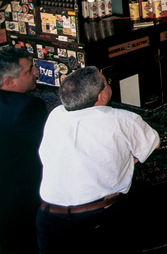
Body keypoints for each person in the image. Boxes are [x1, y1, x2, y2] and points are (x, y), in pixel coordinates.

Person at [36, 66, 160, 254]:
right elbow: (152, 143)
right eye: (106, 82)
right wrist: (126, 160)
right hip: (95, 218)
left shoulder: (56, 115)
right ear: (101, 96)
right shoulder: (122, 119)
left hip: (48, 217)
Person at [0, 47, 46, 254]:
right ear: (9, 82)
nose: (36, 72)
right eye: (29, 71)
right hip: (19, 204)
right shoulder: (28, 107)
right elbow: (48, 146)